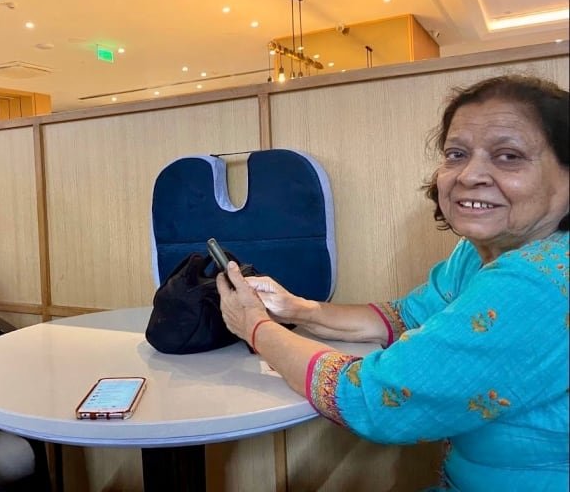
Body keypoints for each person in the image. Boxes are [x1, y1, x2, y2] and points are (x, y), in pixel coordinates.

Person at [217, 75, 569, 491]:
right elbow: (407, 316)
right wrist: (298, 309)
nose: (469, 175)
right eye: (456, 154)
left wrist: (256, 328)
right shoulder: (480, 252)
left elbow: (373, 399)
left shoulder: (535, 283)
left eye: (508, 156)